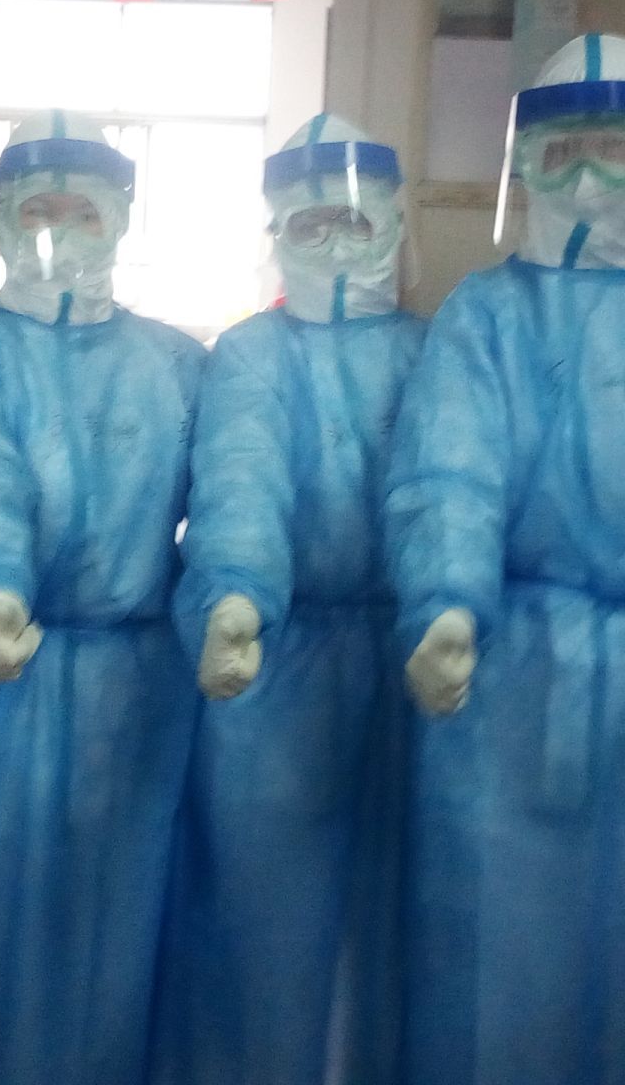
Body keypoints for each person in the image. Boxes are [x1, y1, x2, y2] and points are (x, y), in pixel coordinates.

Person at [384, 34, 625, 1085]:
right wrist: (447, 606)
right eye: (562, 155)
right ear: (524, 166)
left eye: (615, 149)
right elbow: (448, 475)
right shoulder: (487, 315)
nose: (589, 179)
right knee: (489, 961)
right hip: (511, 677)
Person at [0, 110, 206, 1085]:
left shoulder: (175, 364)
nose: (57, 231)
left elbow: (235, 498)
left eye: (82, 210)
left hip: (136, 688)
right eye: (36, 210)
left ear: (121, 218)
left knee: (115, 922)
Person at [154, 113, 425, 1085]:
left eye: (354, 221)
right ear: (277, 231)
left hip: (411, 659)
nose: (335, 242)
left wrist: (446, 610)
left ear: (393, 223)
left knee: (392, 922)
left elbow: (453, 490)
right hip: (271, 666)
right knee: (263, 917)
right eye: (311, 224)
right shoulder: (251, 354)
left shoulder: (433, 350)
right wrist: (236, 598)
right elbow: (242, 480)